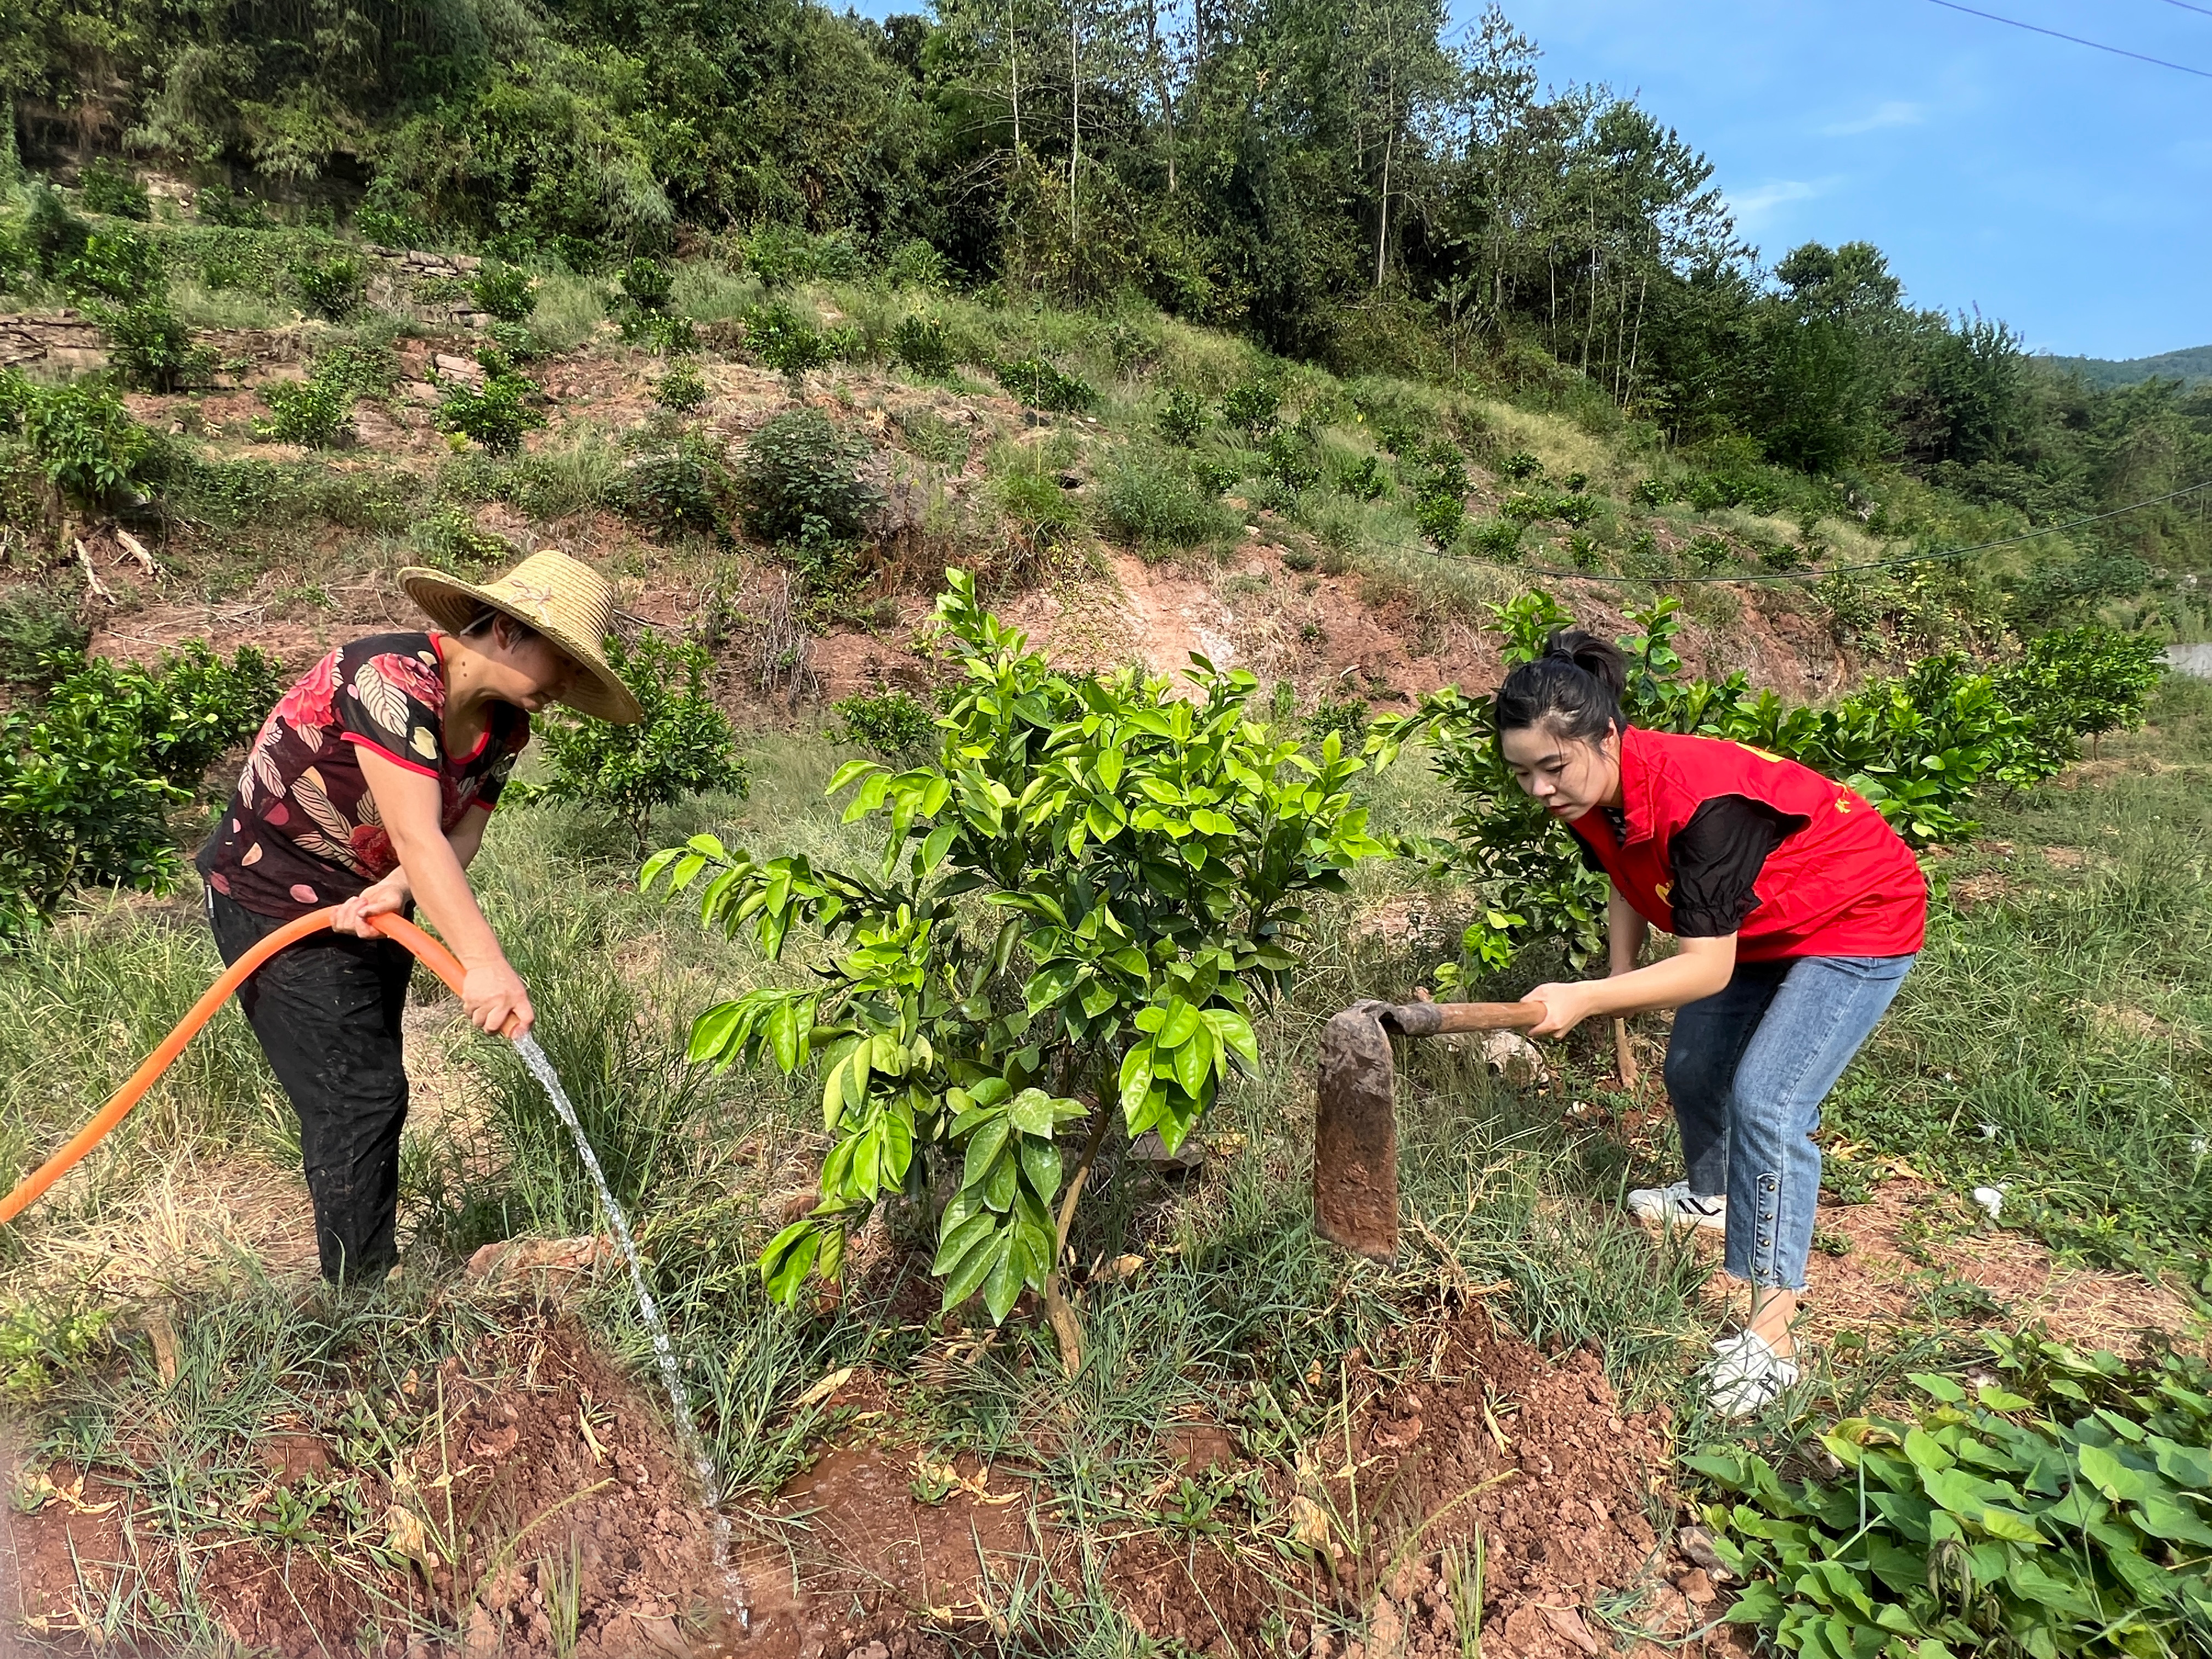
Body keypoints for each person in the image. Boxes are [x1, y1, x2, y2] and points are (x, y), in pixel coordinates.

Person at [1500, 630, 1925, 1417]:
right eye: (1522, 772)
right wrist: (1618, 978)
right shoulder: (1591, 791)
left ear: (1606, 738)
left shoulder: (1706, 806)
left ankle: (1772, 1342)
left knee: (1770, 1103)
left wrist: (1588, 998)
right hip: (1756, 924)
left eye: (1551, 769)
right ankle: (1714, 1196)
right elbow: (1626, 876)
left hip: (1857, 918)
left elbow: (1706, 967)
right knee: (1693, 1070)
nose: (1538, 790)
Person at [196, 551, 641, 1286]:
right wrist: (487, 965)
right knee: (357, 1093)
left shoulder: (504, 731)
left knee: (370, 1082)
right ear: (505, 631)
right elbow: (417, 832)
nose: (565, 685)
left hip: (373, 905)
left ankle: (366, 1268)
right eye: (561, 663)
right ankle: (361, 1297)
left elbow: (458, 835)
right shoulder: (388, 679)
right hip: (275, 900)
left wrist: (399, 890)